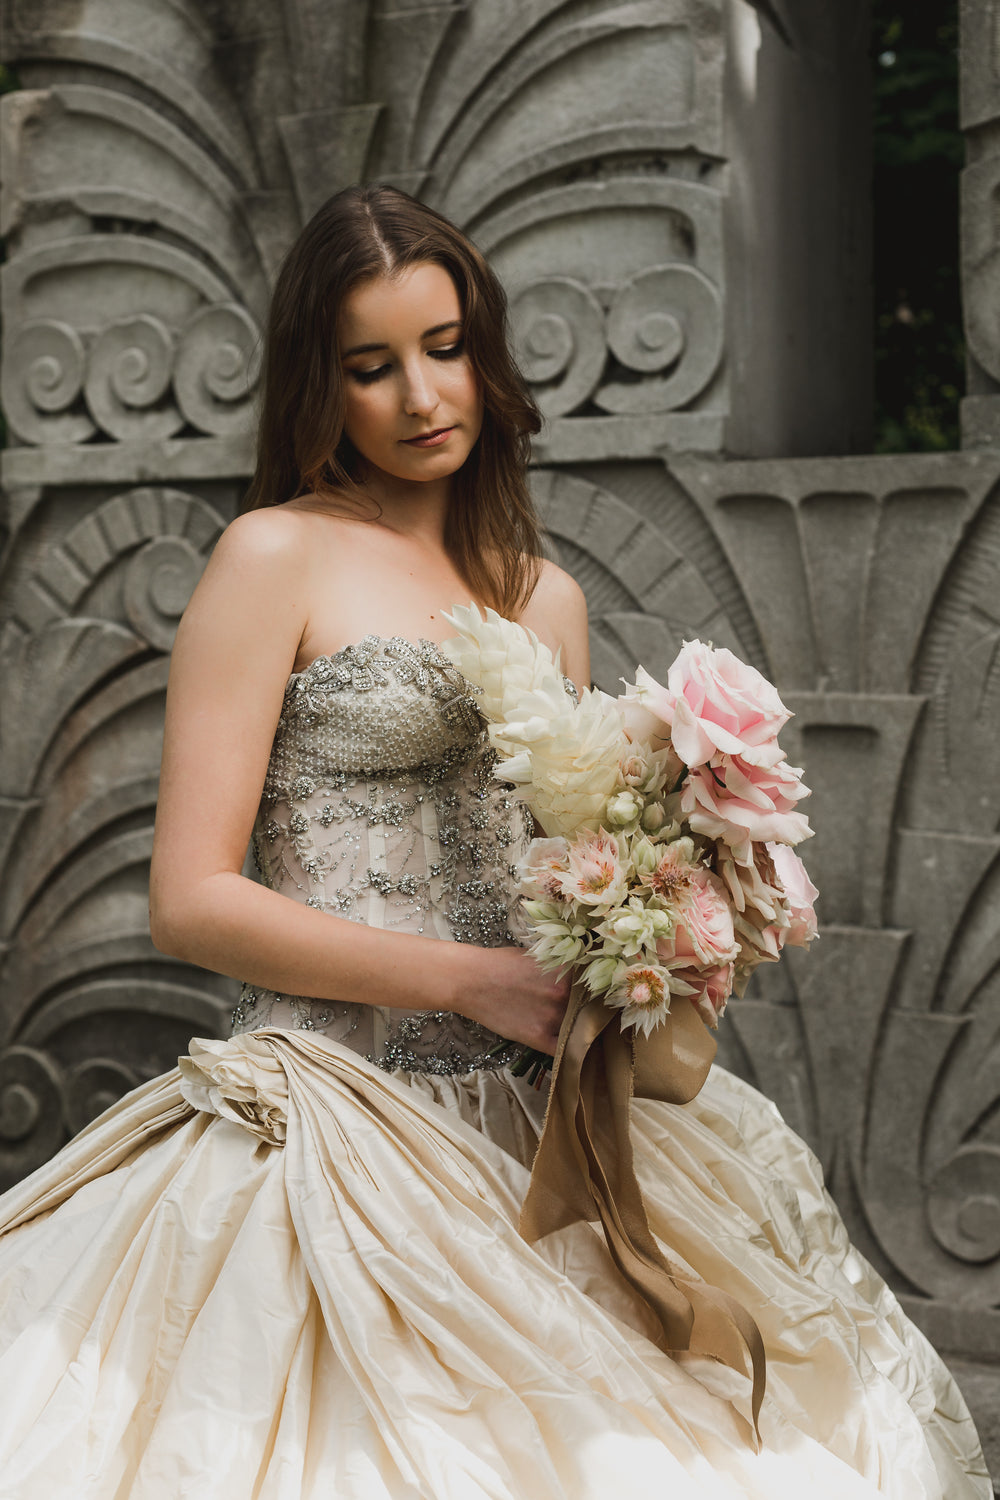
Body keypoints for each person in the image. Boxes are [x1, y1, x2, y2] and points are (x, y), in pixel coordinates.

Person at [0, 185, 990, 1500]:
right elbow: (190, 899)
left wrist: (658, 923)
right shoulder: (272, 556)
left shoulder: (548, 595)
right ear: (320, 384)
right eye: (372, 367)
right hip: (339, 1103)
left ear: (489, 351)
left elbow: (551, 866)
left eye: (446, 347)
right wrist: (474, 981)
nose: (420, 397)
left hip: (542, 1108)